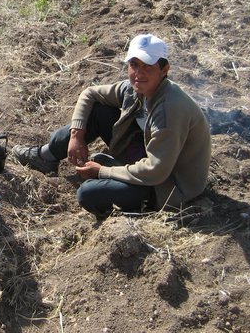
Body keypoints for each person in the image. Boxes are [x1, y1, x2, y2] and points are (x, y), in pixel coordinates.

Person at [13, 33, 211, 215]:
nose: (139, 73)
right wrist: (76, 136)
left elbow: (155, 172)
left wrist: (102, 171)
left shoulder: (169, 111)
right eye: (134, 64)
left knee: (89, 194)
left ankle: (137, 201)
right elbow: (89, 94)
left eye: (148, 66)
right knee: (98, 111)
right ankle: (46, 156)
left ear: (164, 69)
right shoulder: (135, 89)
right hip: (148, 157)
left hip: (168, 185)